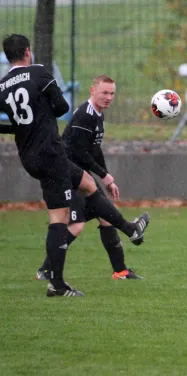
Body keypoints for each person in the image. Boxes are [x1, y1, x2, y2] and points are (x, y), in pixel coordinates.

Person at [0, 34, 149, 297]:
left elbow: (16, 122)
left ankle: (129, 229)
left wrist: (27, 124)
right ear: (26, 51)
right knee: (60, 220)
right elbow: (61, 107)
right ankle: (56, 284)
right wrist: (44, 111)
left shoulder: (2, 86)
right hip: (50, 152)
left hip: (29, 156)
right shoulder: (38, 72)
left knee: (89, 184)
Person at [35, 75, 143, 281]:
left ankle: (120, 271)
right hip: (68, 174)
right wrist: (103, 175)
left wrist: (107, 177)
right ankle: (46, 269)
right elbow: (78, 151)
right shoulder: (86, 114)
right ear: (93, 90)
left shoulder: (97, 115)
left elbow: (94, 150)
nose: (109, 97)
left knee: (107, 217)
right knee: (76, 225)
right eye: (104, 92)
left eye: (112, 93)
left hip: (82, 175)